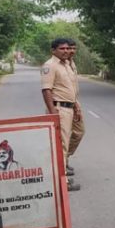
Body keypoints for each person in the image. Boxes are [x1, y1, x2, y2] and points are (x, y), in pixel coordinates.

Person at [41, 38, 81, 192]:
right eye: (62, 49)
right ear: (53, 50)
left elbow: (70, 88)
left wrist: (75, 105)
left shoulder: (66, 65)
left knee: (72, 137)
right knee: (62, 146)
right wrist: (52, 113)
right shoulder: (50, 66)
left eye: (67, 48)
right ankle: (63, 182)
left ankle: (62, 171)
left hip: (69, 107)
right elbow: (46, 90)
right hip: (59, 109)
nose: (66, 51)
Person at [65, 39, 85, 177]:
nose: (71, 51)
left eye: (73, 48)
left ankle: (65, 158)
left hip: (73, 103)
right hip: (62, 106)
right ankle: (61, 167)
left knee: (79, 132)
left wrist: (76, 104)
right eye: (68, 48)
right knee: (63, 138)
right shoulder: (61, 64)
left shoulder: (72, 63)